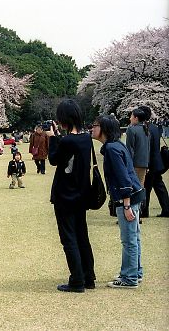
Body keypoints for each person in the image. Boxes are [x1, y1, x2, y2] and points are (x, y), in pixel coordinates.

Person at [47, 99, 95, 293]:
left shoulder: (67, 141)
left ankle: (76, 281)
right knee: (82, 236)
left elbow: (53, 159)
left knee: (69, 238)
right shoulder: (85, 138)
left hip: (65, 196)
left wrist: (52, 138)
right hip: (81, 195)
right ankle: (88, 277)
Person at [91, 115, 143, 288]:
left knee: (129, 239)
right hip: (134, 195)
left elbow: (123, 178)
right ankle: (135, 271)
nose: (92, 128)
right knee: (134, 238)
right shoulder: (116, 146)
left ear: (104, 129)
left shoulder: (112, 149)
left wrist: (126, 204)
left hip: (127, 198)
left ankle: (129, 278)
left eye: (95, 125)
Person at [138, 106, 169, 218]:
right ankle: (166, 209)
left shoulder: (144, 129)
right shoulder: (155, 128)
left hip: (150, 163)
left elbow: (147, 149)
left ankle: (144, 211)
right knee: (159, 186)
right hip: (157, 162)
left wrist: (145, 164)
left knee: (146, 187)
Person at [126, 108, 150, 187]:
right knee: (140, 187)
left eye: (131, 116)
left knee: (133, 188)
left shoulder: (131, 130)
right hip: (144, 163)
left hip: (134, 164)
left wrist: (128, 165)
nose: (130, 118)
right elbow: (148, 148)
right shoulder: (146, 130)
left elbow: (130, 149)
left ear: (136, 118)